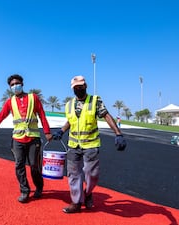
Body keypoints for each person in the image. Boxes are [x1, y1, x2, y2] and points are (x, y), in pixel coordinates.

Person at [52, 75, 127, 213]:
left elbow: (106, 115)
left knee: (92, 175)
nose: (78, 89)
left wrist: (118, 133)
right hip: (73, 146)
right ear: (72, 89)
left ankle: (88, 192)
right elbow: (71, 121)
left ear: (85, 86)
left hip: (91, 145)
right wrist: (61, 131)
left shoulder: (95, 101)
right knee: (74, 175)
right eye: (76, 87)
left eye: (81, 86)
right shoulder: (69, 104)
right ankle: (76, 202)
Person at [0, 74, 53, 203]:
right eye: (12, 85)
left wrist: (47, 131)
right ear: (10, 87)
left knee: (34, 166)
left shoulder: (33, 98)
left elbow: (42, 115)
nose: (15, 86)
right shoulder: (10, 102)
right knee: (19, 165)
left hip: (33, 139)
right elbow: (0, 117)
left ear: (22, 84)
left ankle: (39, 187)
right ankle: (24, 191)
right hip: (17, 139)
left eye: (17, 83)